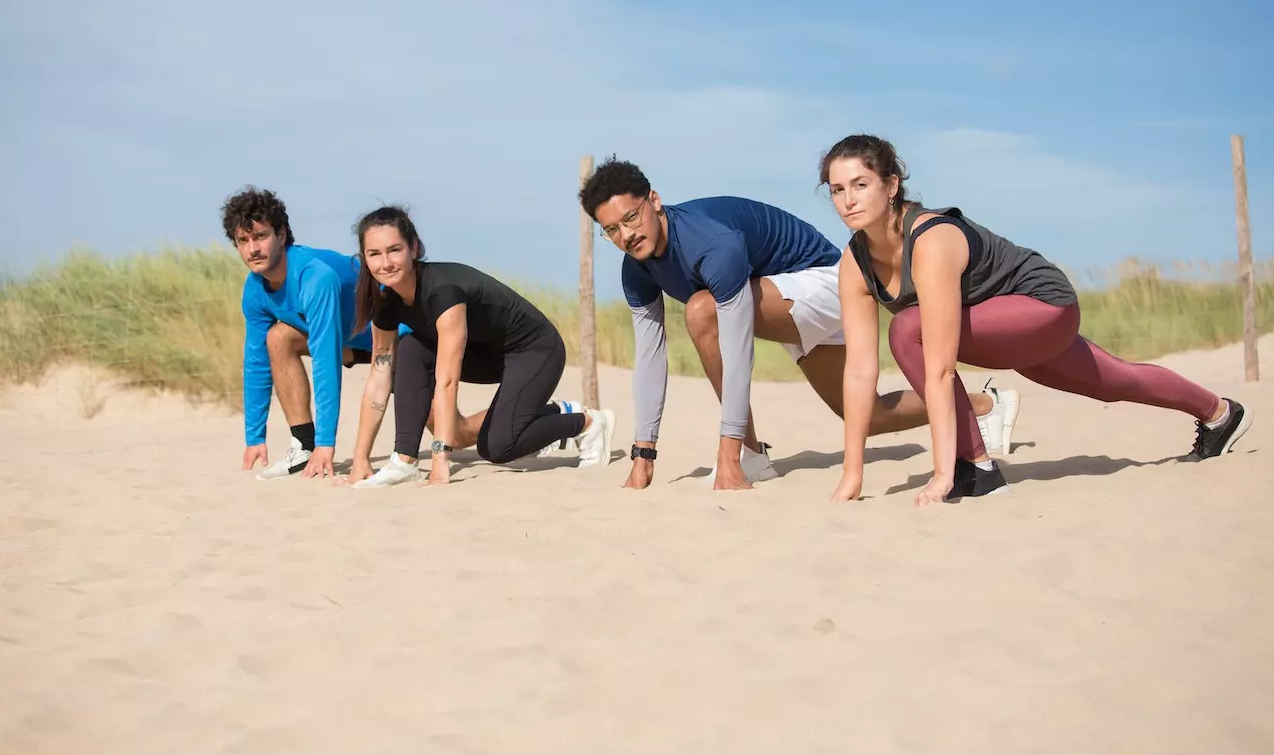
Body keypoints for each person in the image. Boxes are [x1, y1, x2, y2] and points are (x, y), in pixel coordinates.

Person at [825, 133, 1254, 506]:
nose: (848, 200)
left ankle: (977, 468)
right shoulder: (854, 262)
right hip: (1001, 328)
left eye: (861, 185)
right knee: (1112, 381)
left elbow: (939, 368)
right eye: (837, 189)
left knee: (907, 328)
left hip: (1041, 306)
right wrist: (852, 474)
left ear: (891, 185)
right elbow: (860, 372)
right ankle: (1219, 413)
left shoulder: (932, 239)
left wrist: (943, 474)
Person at [578, 158, 1017, 491]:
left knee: (701, 311)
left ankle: (747, 454)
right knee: (864, 414)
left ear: (653, 201)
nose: (626, 235)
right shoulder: (635, 268)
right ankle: (985, 405)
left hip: (828, 282)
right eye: (611, 230)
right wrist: (643, 453)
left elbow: (735, 344)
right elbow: (650, 358)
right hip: (779, 299)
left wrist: (729, 450)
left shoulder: (711, 242)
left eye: (631, 218)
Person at [345, 206, 616, 488]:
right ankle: (404, 461)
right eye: (374, 254)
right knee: (412, 347)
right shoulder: (386, 302)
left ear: (413, 248)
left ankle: (587, 424)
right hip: (487, 354)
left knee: (497, 447)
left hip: (534, 351)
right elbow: (378, 377)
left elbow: (447, 381)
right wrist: (360, 458)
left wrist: (440, 459)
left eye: (394, 250)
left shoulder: (443, 292)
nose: (385, 263)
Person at [223, 185, 383, 480]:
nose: (252, 249)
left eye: (260, 236)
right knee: (278, 337)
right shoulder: (255, 290)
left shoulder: (314, 276)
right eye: (242, 240)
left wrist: (328, 444)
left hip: (394, 337)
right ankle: (303, 446)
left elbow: (325, 361)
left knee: (455, 430)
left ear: (281, 235)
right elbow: (257, 363)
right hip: (350, 341)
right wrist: (254, 437)